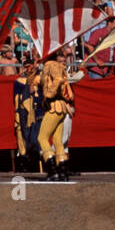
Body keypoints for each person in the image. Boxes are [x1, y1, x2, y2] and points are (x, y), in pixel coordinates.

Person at [32, 49, 77, 181]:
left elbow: (57, 79)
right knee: (57, 140)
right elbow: (40, 80)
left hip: (54, 106)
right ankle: (62, 171)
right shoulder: (51, 66)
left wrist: (49, 93)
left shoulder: (51, 65)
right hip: (59, 106)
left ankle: (52, 169)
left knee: (42, 138)